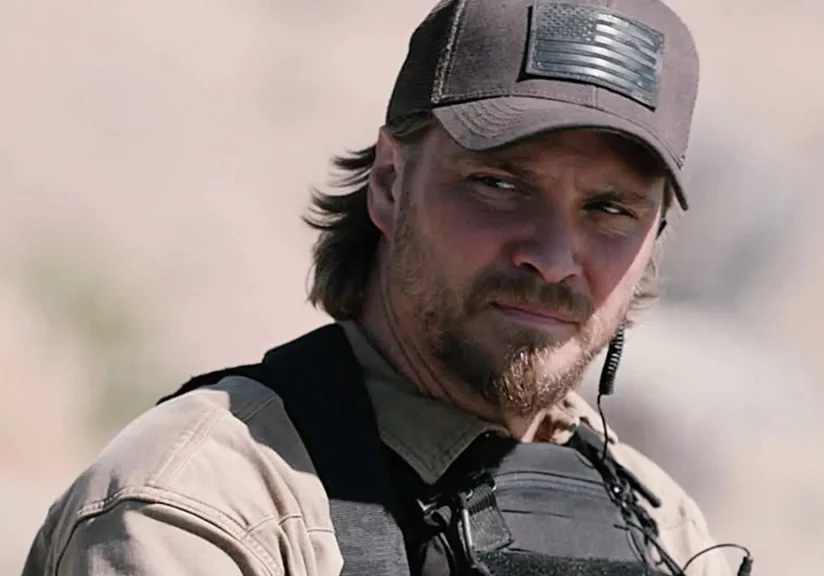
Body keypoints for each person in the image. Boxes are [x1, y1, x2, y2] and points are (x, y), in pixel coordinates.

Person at [21, 0, 752, 574]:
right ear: (389, 183)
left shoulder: (668, 529)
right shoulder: (202, 505)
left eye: (611, 210)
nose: (555, 259)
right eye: (500, 185)